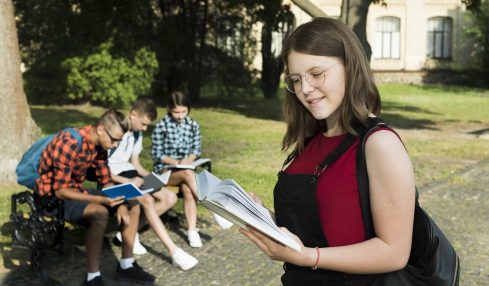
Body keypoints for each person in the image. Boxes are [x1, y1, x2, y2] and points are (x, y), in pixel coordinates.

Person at [239, 17, 416, 285]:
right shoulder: (311, 141)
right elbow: (321, 229)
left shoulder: (379, 144)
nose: (305, 89)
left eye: (316, 73)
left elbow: (394, 252)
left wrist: (308, 257)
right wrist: (264, 218)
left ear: (349, 66)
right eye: (296, 80)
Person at [35, 109, 155, 286]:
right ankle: (92, 277)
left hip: (75, 192)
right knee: (100, 213)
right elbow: (60, 191)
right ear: (100, 129)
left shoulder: (100, 146)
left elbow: (105, 182)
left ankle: (126, 266)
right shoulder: (69, 142)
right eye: (114, 140)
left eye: (119, 141)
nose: (115, 145)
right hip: (51, 198)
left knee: (132, 202)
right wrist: (103, 201)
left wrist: (120, 205)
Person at [108, 96, 198, 270]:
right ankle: (174, 252)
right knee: (148, 200)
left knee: (169, 197)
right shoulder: (115, 131)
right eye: (143, 124)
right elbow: (102, 170)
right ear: (133, 114)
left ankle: (129, 233)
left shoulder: (136, 133)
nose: (144, 128)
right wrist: (127, 180)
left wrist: (153, 178)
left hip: (132, 175)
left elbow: (135, 164)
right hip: (114, 180)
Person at [151, 91, 232, 248]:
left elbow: (196, 150)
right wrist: (176, 162)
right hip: (165, 172)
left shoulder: (193, 125)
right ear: (169, 109)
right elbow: (157, 154)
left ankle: (192, 231)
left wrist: (188, 160)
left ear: (188, 109)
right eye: (176, 112)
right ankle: (214, 209)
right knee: (189, 174)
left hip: (185, 170)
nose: (180, 116)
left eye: (183, 111)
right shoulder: (162, 126)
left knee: (188, 189)